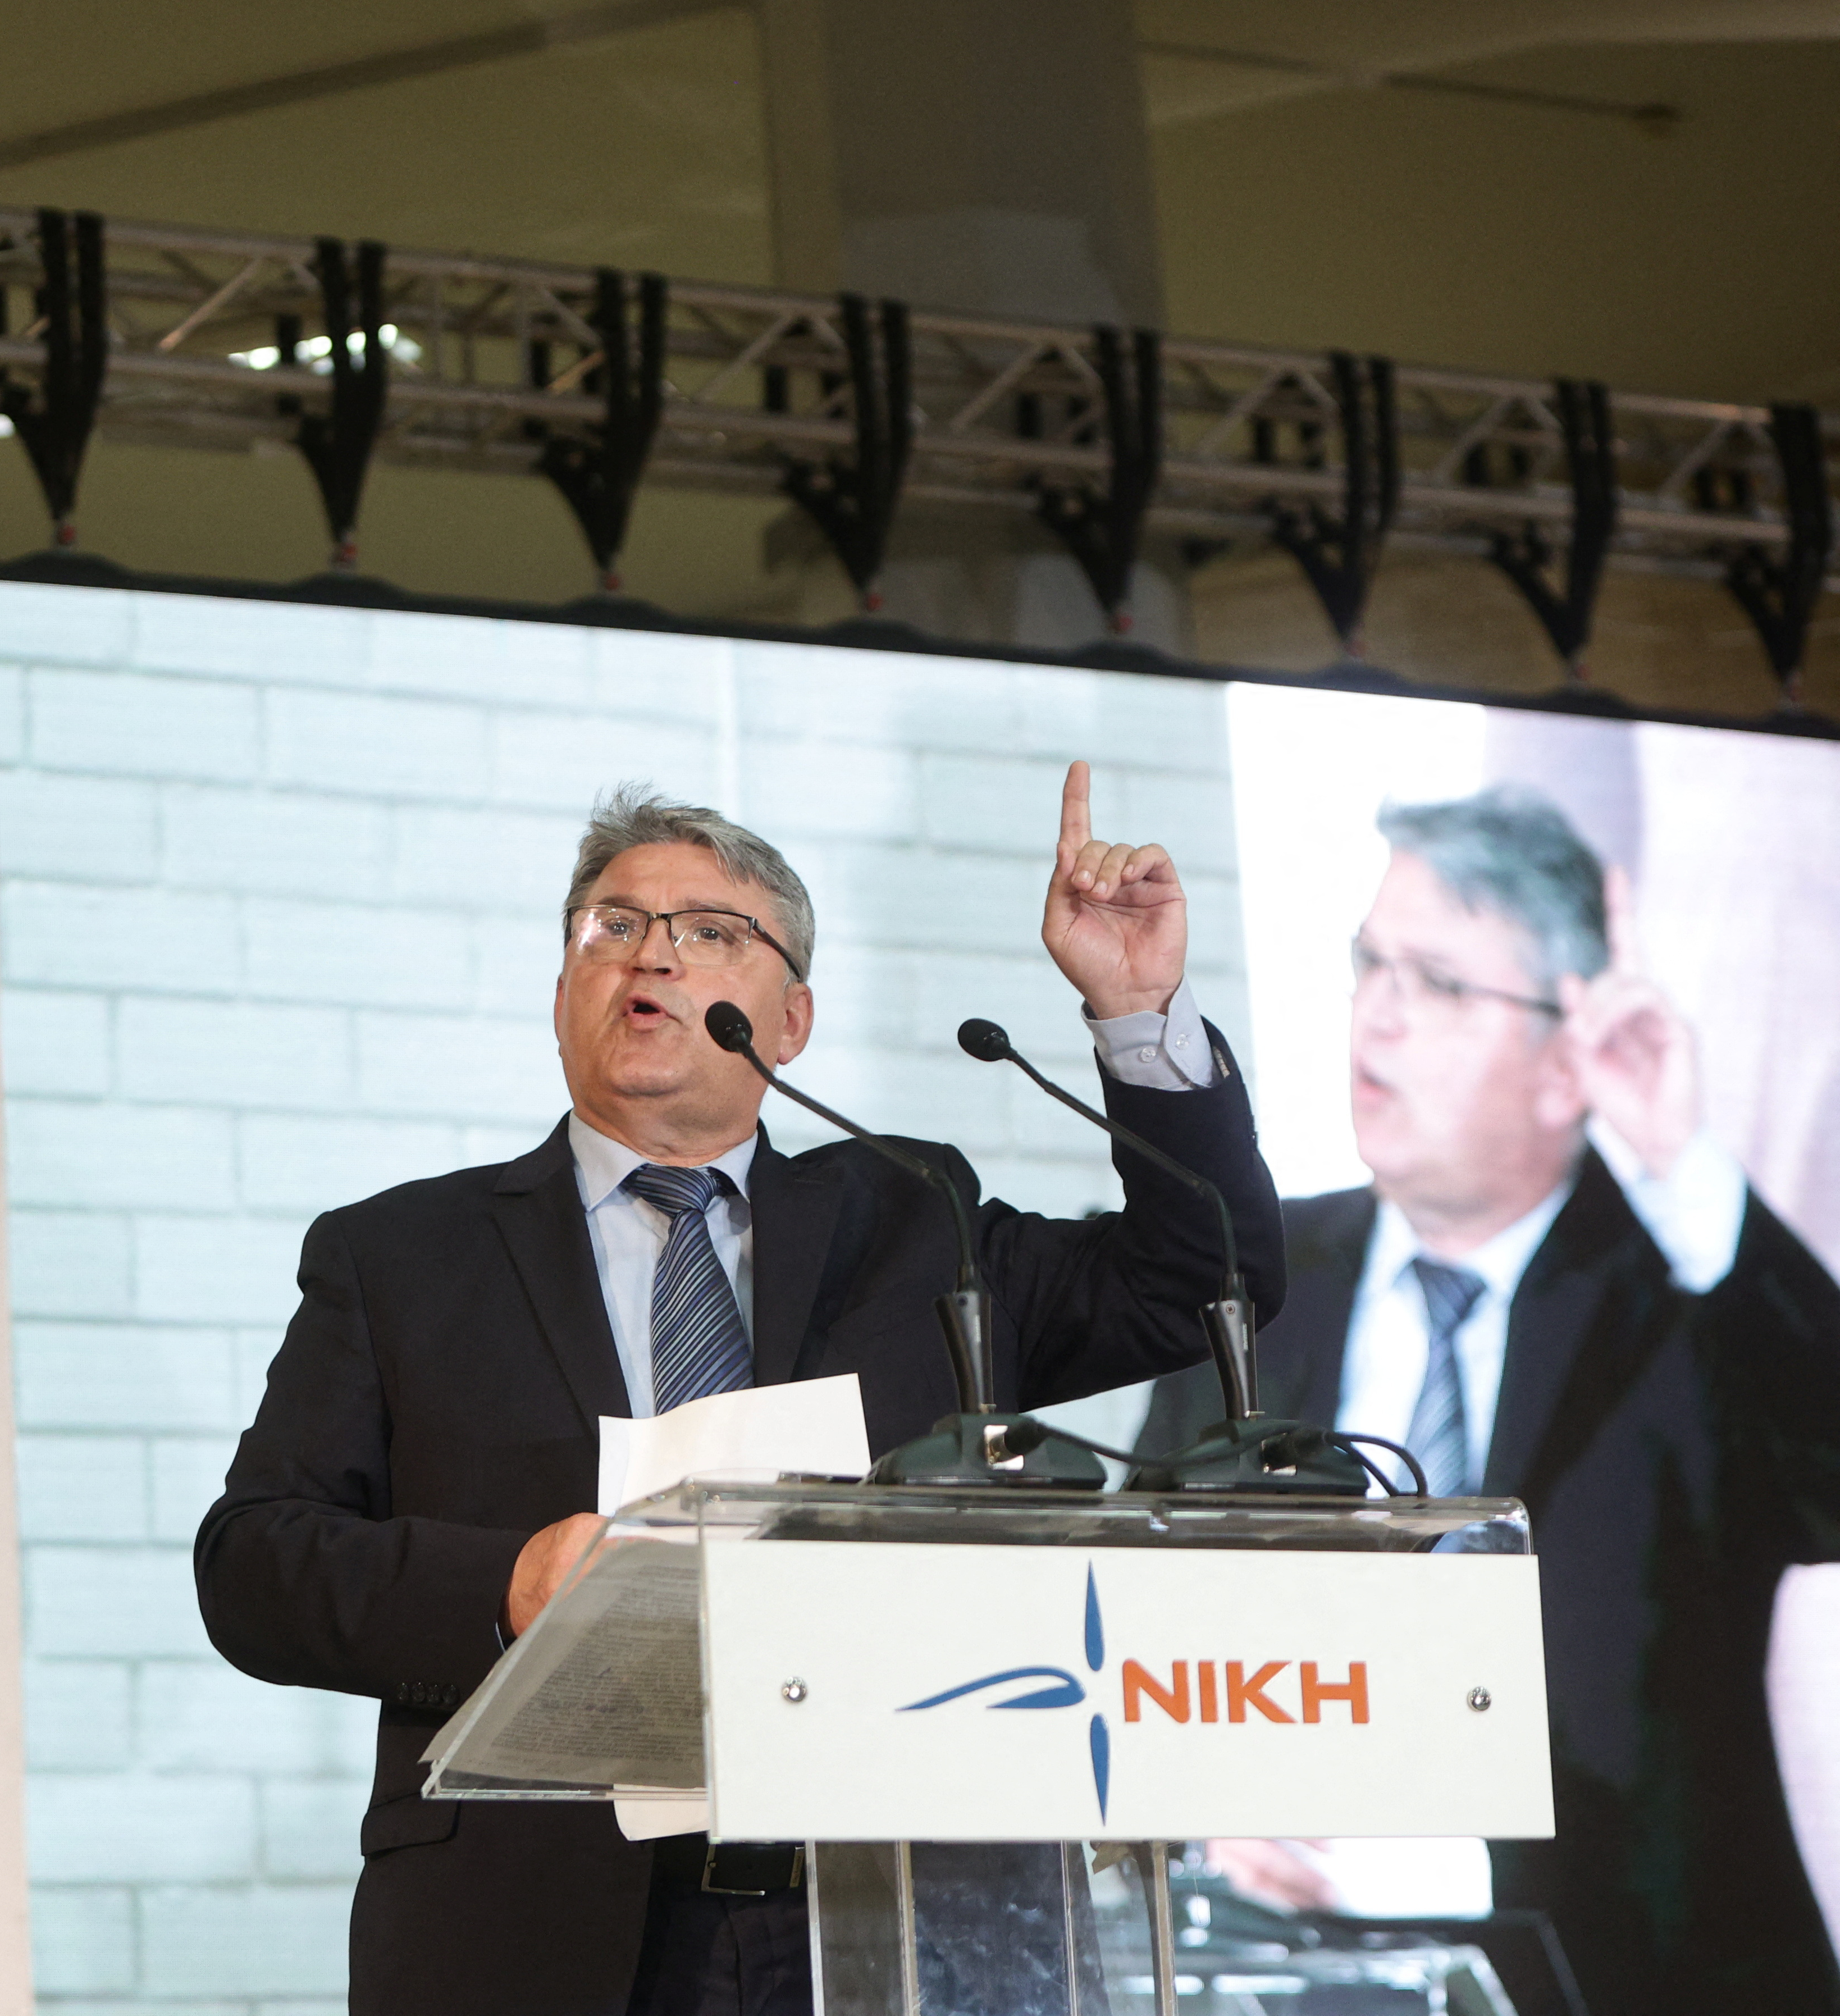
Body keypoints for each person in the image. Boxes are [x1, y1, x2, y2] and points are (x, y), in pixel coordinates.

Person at [197, 774, 1286, 2016]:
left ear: (794, 1016)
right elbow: (254, 1564)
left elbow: (1217, 1276)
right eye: (612, 926)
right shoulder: (401, 1259)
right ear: (562, 992)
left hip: (900, 1917)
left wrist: (1138, 1013)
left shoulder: (918, 1224)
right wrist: (506, 1586)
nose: (651, 955)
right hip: (547, 1925)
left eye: (711, 931)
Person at [1135, 786, 1840, 2015]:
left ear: (1571, 1058)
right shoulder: (1257, 1280)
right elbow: (1150, 1603)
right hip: (1276, 1977)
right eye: (1371, 965)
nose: (1382, 1018)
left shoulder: (1686, 1298)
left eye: (1443, 985)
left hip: (1641, 1978)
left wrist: (1686, 1170)